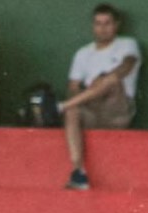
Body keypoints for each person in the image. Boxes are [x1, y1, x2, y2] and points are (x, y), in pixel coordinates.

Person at [59, 3, 140, 191]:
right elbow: (73, 87)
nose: (102, 28)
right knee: (72, 110)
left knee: (110, 79)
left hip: (117, 110)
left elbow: (126, 67)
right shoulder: (83, 53)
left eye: (107, 23)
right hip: (92, 109)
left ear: (116, 24)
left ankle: (61, 106)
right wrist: (89, 91)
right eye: (98, 23)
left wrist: (101, 80)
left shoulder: (127, 44)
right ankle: (79, 172)